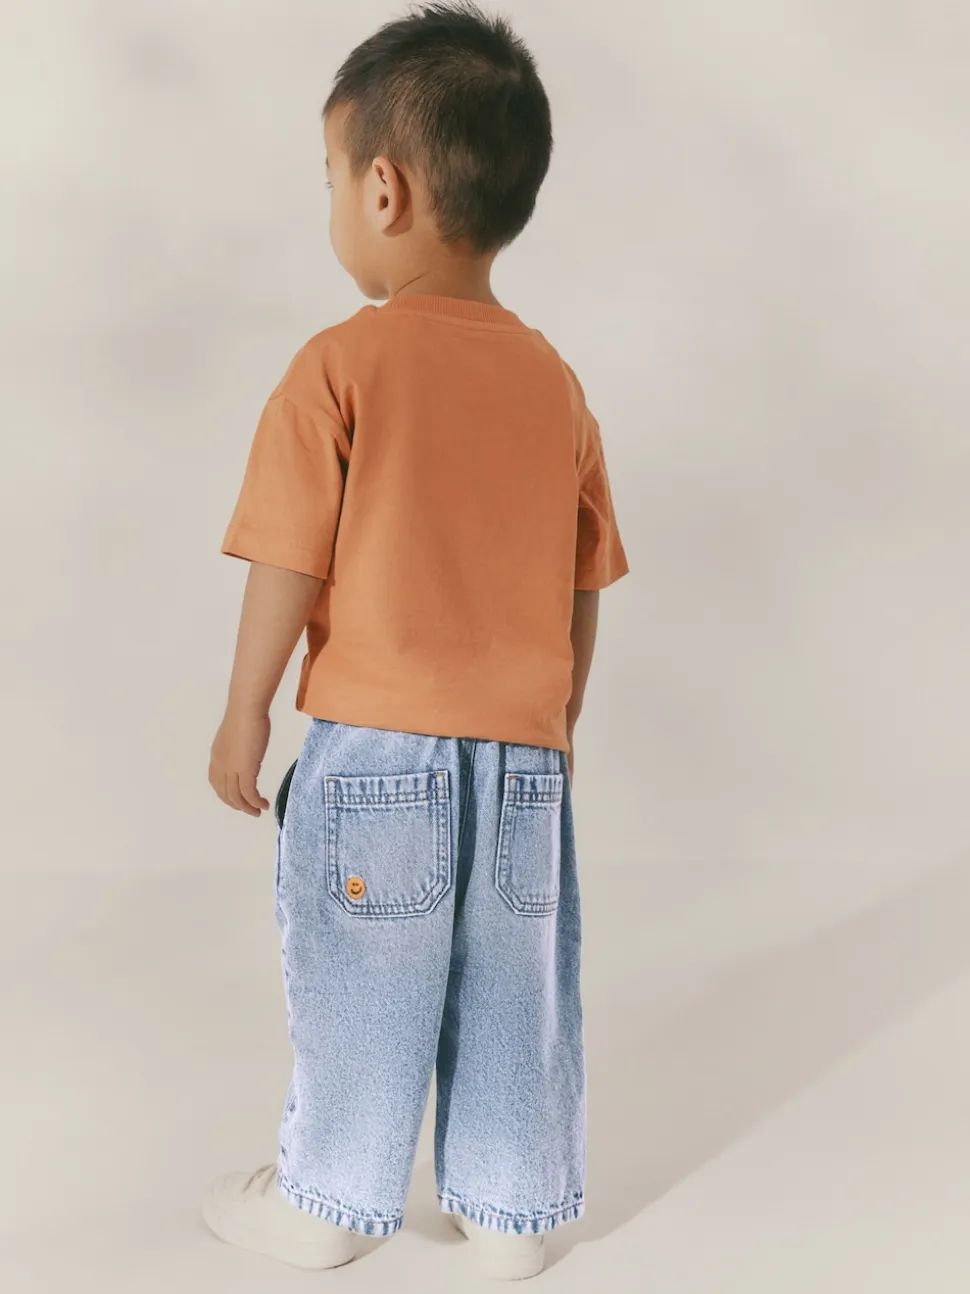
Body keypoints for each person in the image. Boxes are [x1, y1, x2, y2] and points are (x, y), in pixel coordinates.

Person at [203, 1, 628, 1281]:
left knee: (366, 983)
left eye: (330, 176)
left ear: (381, 189)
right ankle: (509, 1215)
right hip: (523, 762)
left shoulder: (339, 365)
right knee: (510, 991)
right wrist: (554, 724)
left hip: (378, 750)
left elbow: (290, 554)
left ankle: (330, 1201)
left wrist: (246, 709)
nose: (334, 200)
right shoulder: (555, 381)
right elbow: (583, 577)